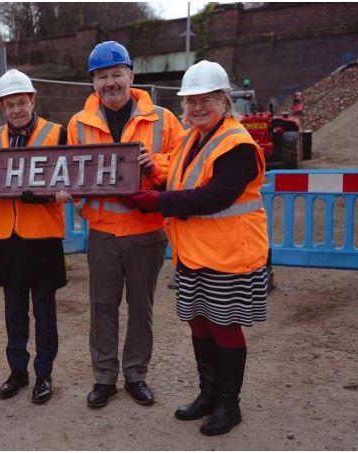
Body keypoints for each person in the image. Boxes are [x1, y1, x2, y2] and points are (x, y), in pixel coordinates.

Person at [122, 60, 269, 436]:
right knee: (199, 323)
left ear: (224, 100)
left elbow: (214, 196)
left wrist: (156, 201)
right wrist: (152, 172)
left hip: (228, 254)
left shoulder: (237, 144)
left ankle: (228, 405)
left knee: (224, 327)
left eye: (206, 100)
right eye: (190, 102)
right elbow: (176, 175)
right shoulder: (191, 138)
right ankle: (208, 394)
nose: (197, 108)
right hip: (195, 253)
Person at [62, 41, 183, 409]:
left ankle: (136, 375)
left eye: (117, 74)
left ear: (131, 76)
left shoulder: (163, 119)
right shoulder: (78, 124)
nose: (110, 82)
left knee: (141, 308)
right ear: (92, 83)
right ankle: (103, 378)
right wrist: (69, 192)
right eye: (102, 76)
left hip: (147, 232)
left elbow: (181, 172)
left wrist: (154, 166)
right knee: (102, 307)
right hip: (103, 233)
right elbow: (71, 172)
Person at [0, 69, 67, 404]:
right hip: (8, 236)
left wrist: (49, 195)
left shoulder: (57, 133)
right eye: (11, 104)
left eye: (22, 102)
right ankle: (17, 371)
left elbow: (72, 182)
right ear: (1, 106)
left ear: (33, 100)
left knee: (45, 312)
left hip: (44, 236)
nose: (17, 109)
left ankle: (44, 374)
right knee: (13, 310)